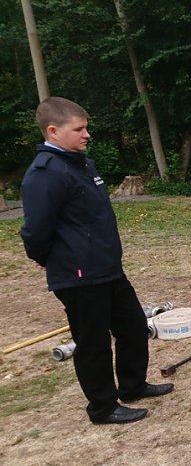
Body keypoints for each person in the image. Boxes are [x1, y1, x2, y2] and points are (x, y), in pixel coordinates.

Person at [19, 97, 173, 425]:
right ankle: (103, 408)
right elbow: (36, 229)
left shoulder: (82, 163)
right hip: (78, 275)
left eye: (86, 127)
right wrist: (44, 258)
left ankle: (132, 386)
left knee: (133, 326)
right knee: (93, 343)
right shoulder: (45, 174)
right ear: (53, 131)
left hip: (107, 268)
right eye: (79, 129)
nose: (87, 134)